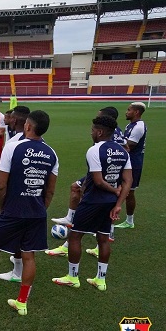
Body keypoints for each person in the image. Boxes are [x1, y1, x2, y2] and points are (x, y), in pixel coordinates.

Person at [0, 110, 58, 316]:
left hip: (12, 210)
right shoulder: (52, 153)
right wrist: (41, 208)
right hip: (36, 212)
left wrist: (2, 206)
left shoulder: (12, 148)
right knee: (29, 256)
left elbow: (1, 184)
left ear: (28, 126)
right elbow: (50, 190)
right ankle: (22, 302)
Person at [52, 115, 132, 292]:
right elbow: (128, 181)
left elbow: (97, 181)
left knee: (75, 236)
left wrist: (113, 190)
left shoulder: (94, 150)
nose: (91, 133)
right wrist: (118, 203)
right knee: (103, 239)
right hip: (111, 203)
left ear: (100, 131)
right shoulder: (122, 151)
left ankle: (73, 277)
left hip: (93, 201)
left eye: (92, 130)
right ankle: (100, 280)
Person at [47, 106, 127, 256]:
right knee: (75, 188)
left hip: (101, 176)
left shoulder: (108, 135)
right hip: (100, 173)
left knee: (85, 214)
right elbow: (126, 149)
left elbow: (124, 150)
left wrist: (112, 171)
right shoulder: (115, 132)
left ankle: (68, 244)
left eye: (99, 116)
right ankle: (74, 220)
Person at [0, 105, 31, 282]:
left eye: (10, 118)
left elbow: (3, 182)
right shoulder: (41, 141)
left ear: (15, 120)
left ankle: (17, 272)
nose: (7, 119)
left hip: (16, 197)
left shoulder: (12, 144)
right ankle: (19, 264)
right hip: (34, 195)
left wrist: (1, 204)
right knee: (26, 235)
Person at [114, 102, 147, 229]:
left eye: (129, 110)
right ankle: (128, 220)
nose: (126, 112)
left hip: (133, 163)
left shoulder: (139, 126)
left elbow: (129, 146)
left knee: (130, 191)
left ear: (136, 112)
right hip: (127, 161)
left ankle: (129, 221)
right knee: (123, 190)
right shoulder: (131, 125)